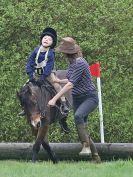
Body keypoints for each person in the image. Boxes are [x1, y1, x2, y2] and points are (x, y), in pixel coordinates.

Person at [48, 37, 101, 162]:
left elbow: (70, 84)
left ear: (68, 53)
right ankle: (96, 157)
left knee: (78, 117)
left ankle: (86, 146)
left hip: (89, 98)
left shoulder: (80, 63)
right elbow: (71, 79)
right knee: (82, 126)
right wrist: (59, 80)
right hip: (77, 99)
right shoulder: (72, 63)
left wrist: (54, 99)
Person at [18, 27, 69, 133]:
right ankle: (24, 108)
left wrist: (43, 78)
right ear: (41, 39)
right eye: (45, 38)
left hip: (48, 74)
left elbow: (49, 67)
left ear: (51, 43)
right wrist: (30, 75)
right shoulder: (35, 50)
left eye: (49, 39)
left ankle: (63, 104)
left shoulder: (51, 53)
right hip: (36, 74)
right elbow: (30, 63)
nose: (46, 40)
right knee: (24, 89)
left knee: (56, 85)